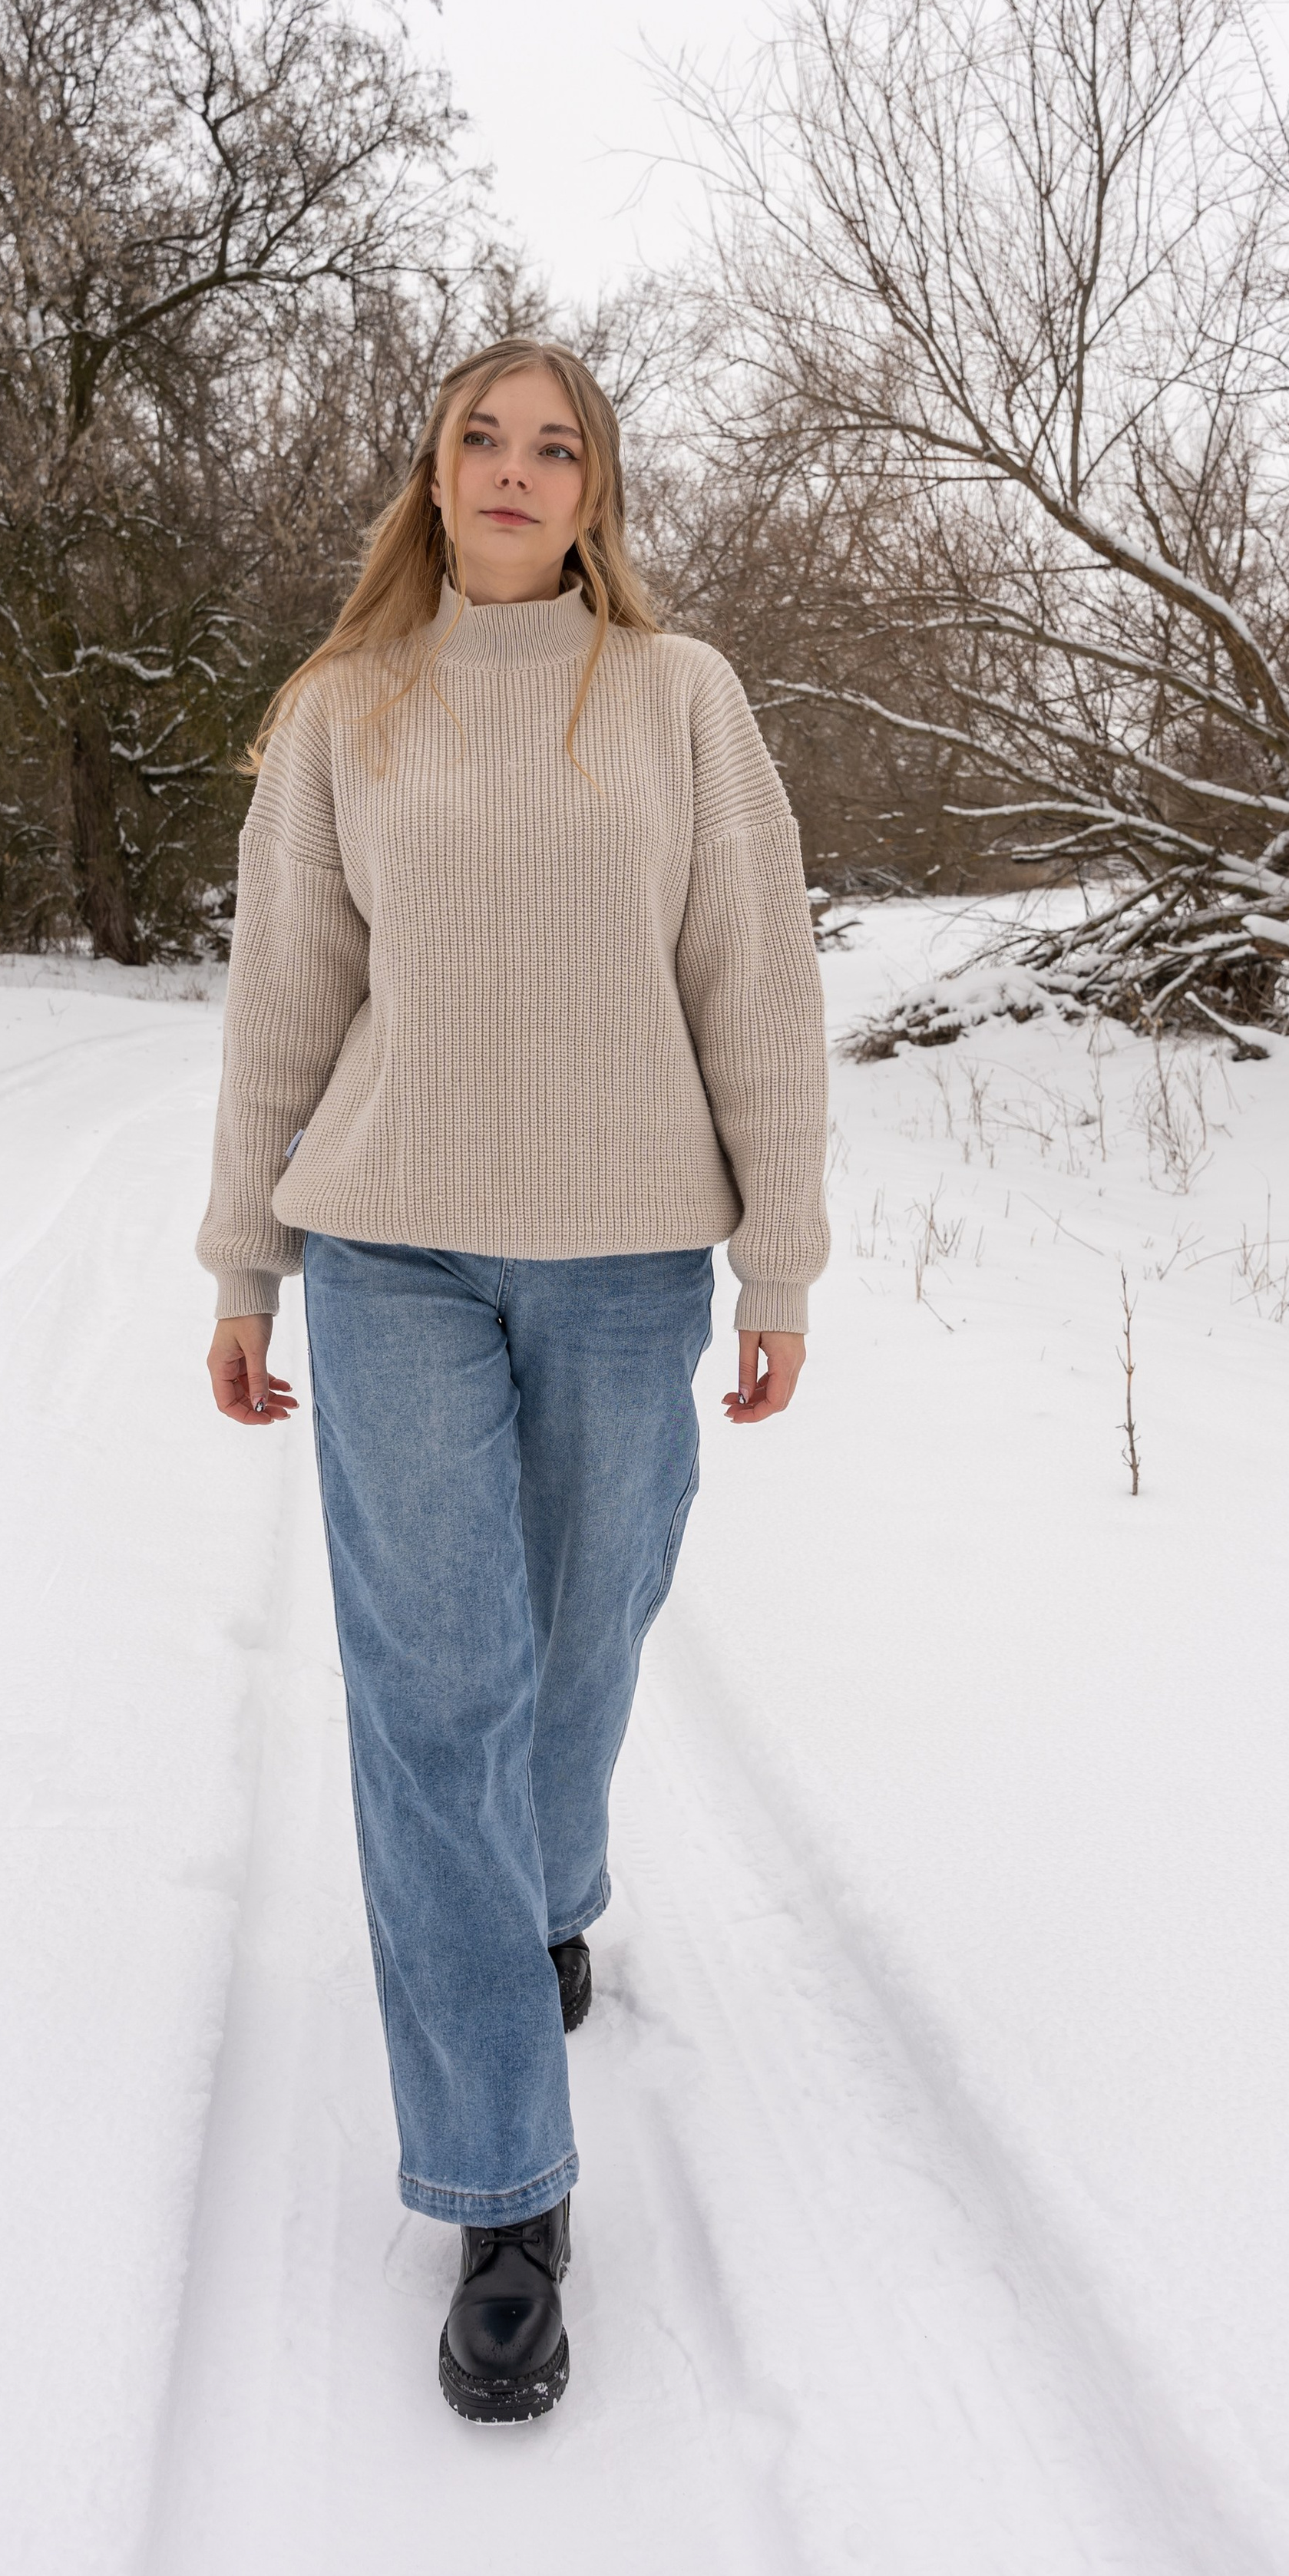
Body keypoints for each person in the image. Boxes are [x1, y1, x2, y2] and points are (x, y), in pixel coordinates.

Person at [196, 338, 829, 2423]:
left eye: (559, 446)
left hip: (632, 1246)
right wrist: (245, 1261)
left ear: (596, 494)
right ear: (434, 467)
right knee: (433, 1684)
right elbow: (283, 994)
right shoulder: (341, 707)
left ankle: (548, 1884)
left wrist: (781, 1259)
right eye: (486, 432)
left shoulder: (678, 698)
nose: (517, 467)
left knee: (584, 1630)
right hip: (393, 1247)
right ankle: (501, 2187)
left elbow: (756, 976)